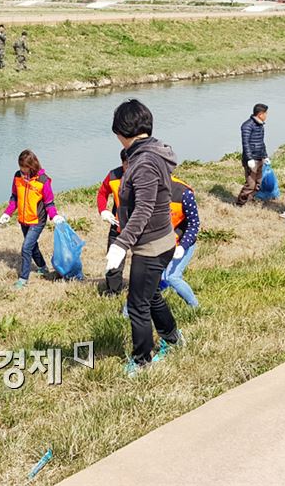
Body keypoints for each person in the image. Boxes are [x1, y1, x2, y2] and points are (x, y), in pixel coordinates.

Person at [105, 99, 183, 374]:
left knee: (137, 304)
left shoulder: (145, 161)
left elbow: (144, 208)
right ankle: (173, 338)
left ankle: (141, 361)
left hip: (151, 244)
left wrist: (120, 244)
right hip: (161, 239)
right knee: (150, 297)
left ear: (123, 131)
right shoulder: (150, 152)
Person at [0, 150, 64, 288]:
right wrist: (7, 213)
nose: (22, 170)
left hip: (37, 220)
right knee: (33, 246)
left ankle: (23, 278)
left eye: (25, 167)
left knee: (26, 248)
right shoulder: (17, 176)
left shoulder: (43, 180)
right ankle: (42, 267)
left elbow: (49, 202)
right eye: (20, 166)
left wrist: (54, 216)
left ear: (32, 165)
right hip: (23, 219)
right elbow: (14, 198)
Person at [160, 175, 200, 308]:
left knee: (172, 277)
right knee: (152, 279)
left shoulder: (184, 193)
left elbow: (194, 225)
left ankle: (195, 307)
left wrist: (182, 246)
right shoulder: (147, 190)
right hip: (159, 243)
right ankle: (128, 312)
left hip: (182, 242)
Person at [96, 149, 128, 296]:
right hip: (119, 225)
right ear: (122, 163)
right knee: (113, 259)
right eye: (127, 164)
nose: (130, 167)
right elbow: (102, 193)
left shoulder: (145, 175)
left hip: (142, 226)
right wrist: (103, 210)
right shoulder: (114, 175)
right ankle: (113, 290)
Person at [236, 103, 270, 207]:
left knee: (258, 183)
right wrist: (249, 159)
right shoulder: (247, 126)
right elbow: (245, 143)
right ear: (260, 114)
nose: (267, 115)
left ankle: (249, 200)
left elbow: (261, 142)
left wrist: (265, 156)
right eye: (266, 113)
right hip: (251, 160)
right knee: (250, 185)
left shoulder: (260, 125)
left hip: (260, 158)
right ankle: (239, 203)